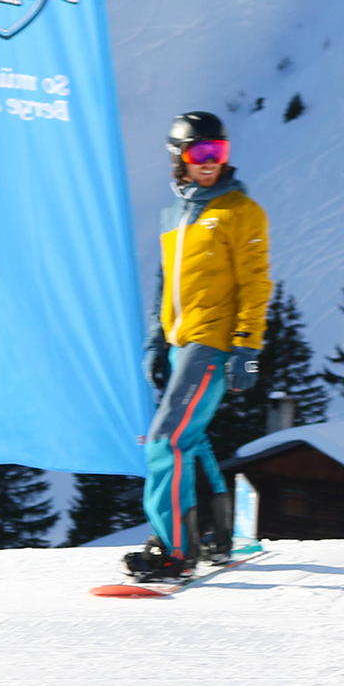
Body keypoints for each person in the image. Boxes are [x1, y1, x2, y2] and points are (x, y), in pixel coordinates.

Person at [122, 111, 270, 581]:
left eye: (218, 152)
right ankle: (214, 537)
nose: (209, 162)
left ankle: (174, 550)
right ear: (178, 158)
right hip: (179, 343)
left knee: (165, 440)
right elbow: (165, 282)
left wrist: (247, 347)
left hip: (213, 342)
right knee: (190, 437)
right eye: (199, 152)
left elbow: (255, 284)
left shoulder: (241, 212)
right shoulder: (176, 214)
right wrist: (154, 341)